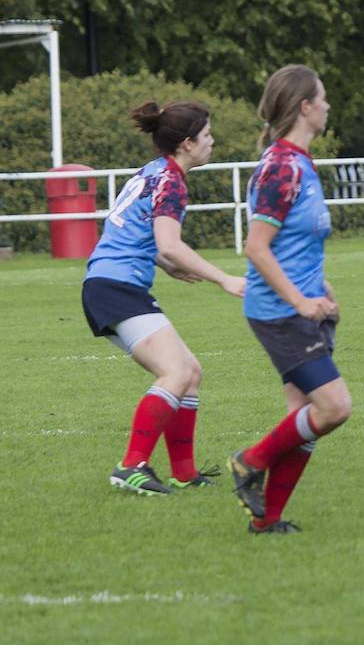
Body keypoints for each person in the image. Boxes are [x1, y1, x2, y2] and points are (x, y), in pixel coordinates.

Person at [83, 100, 246, 495]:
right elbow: (171, 245)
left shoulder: (152, 172)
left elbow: (140, 235)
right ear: (187, 143)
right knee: (175, 373)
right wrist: (223, 279)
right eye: (207, 135)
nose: (212, 141)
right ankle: (131, 465)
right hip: (115, 287)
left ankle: (185, 472)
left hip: (110, 284)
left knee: (190, 371)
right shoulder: (171, 181)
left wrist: (163, 262)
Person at [227, 65, 350, 535]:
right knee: (334, 408)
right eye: (322, 98)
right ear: (305, 107)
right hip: (280, 314)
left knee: (302, 419)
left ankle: (267, 521)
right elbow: (256, 247)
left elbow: (297, 244)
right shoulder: (280, 166)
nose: (327, 105)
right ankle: (248, 462)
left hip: (304, 306)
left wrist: (323, 290)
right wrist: (300, 301)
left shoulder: (299, 161)